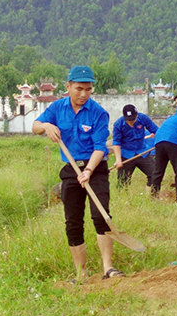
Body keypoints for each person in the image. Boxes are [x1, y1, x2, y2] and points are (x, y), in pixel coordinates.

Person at [32, 65, 124, 282]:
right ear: (68, 86)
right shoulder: (57, 109)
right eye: (79, 89)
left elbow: (99, 147)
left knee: (101, 215)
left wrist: (89, 171)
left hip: (96, 168)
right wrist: (46, 125)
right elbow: (35, 126)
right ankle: (81, 274)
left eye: (88, 89)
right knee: (73, 221)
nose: (84, 94)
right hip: (70, 169)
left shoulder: (98, 113)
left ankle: (108, 268)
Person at [151, 101, 177, 203]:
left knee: (158, 170)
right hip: (174, 141)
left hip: (159, 140)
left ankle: (154, 196)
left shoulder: (172, 118)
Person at [112, 104, 158, 188]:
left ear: (137, 115)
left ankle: (151, 195)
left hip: (142, 152)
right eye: (128, 121)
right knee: (123, 181)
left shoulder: (143, 118)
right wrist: (118, 160)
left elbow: (156, 131)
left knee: (154, 174)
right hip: (126, 154)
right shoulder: (118, 124)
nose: (131, 123)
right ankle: (123, 197)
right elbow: (116, 143)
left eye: (133, 120)